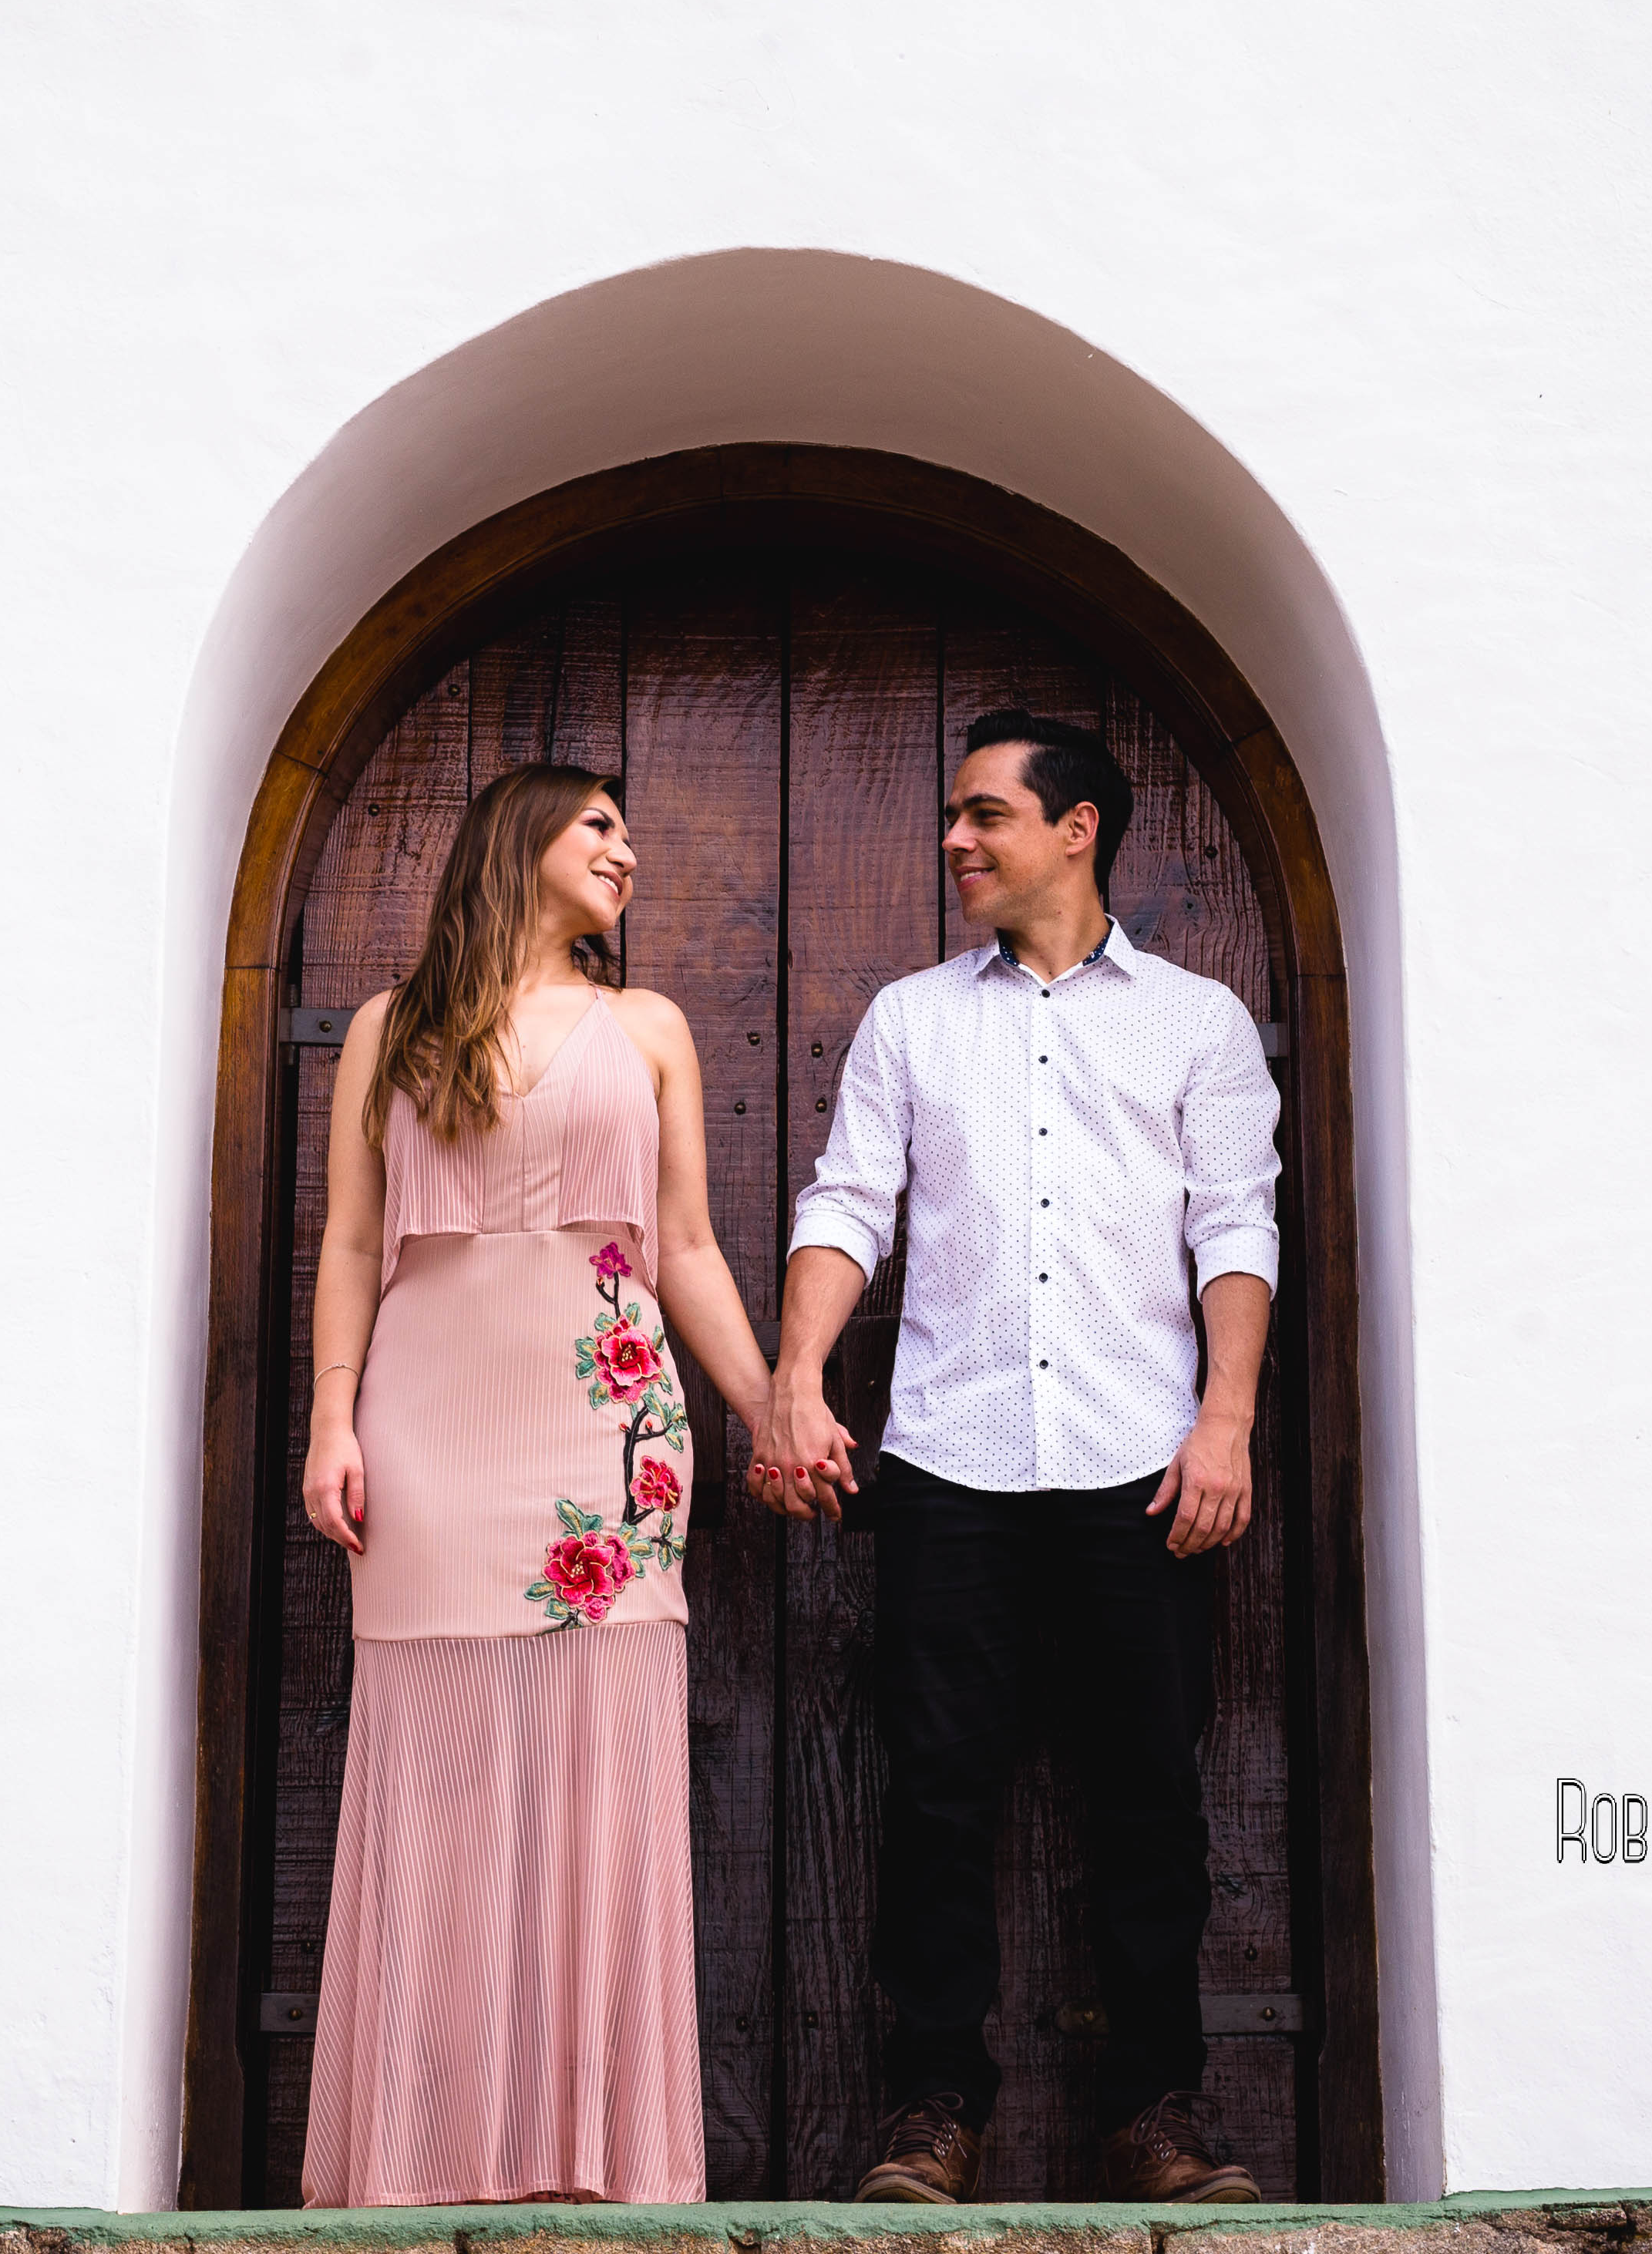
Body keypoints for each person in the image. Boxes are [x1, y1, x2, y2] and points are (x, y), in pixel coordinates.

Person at [759, 710, 1282, 2206]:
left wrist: (1227, 1419)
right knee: (933, 1800)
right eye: (953, 813)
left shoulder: (1198, 1023)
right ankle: (931, 2109)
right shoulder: (912, 1020)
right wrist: (798, 1379)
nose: (956, 839)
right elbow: (848, 1202)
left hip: (1144, 1469)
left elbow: (1234, 1225)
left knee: (1150, 1806)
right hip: (951, 1462)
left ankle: (1158, 2114)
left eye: (985, 813)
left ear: (1077, 829)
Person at [294, 763, 803, 2206]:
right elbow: (348, 1243)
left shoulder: (648, 1029)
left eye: (631, 832)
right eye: (601, 828)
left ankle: (597, 2166)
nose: (628, 853)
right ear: (521, 840)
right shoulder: (394, 1029)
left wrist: (766, 1405)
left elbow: (688, 1246)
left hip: (609, 1437)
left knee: (601, 1770)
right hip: (428, 1430)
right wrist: (333, 1423)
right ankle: (419, 2160)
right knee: (432, 1769)